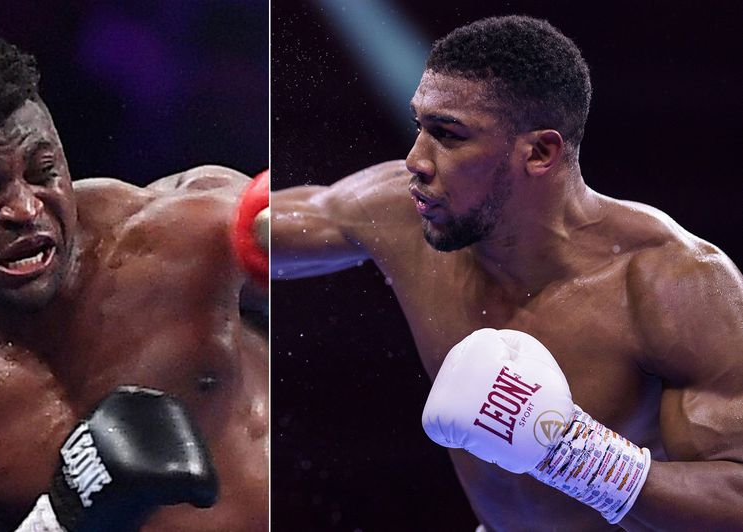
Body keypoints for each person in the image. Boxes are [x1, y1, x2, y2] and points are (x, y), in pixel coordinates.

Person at [272, 15, 743, 530]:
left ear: (540, 152)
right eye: (419, 126)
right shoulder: (402, 211)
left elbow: (735, 495)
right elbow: (251, 230)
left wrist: (576, 455)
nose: (415, 160)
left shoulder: (672, 282)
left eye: (448, 135)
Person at [0, 36, 268, 531]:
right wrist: (59, 519)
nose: (25, 209)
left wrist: (363, 211)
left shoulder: (187, 234)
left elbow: (324, 227)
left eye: (44, 172)